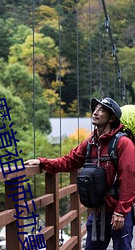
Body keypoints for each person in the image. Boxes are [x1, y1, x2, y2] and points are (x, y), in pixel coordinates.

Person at [24, 97, 135, 250]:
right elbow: (69, 161)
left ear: (112, 118)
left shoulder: (123, 143)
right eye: (95, 109)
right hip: (98, 211)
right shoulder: (90, 143)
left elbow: (129, 178)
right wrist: (43, 162)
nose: (95, 112)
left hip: (118, 211)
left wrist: (121, 212)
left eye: (101, 110)